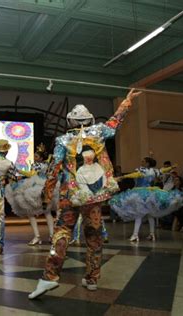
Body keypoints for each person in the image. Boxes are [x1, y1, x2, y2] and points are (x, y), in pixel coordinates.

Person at [28, 89, 142, 299]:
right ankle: (92, 279)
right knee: (94, 236)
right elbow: (115, 121)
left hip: (71, 195)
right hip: (94, 196)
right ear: (89, 119)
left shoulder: (62, 140)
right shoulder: (99, 132)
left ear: (70, 121)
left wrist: (46, 195)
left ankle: (49, 278)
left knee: (62, 233)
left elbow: (53, 169)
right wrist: (126, 102)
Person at [109, 157, 183, 242]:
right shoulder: (153, 171)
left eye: (143, 161)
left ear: (147, 163)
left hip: (139, 193)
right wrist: (171, 167)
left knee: (139, 214)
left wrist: (123, 177)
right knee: (149, 215)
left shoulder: (142, 170)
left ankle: (135, 235)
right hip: (149, 193)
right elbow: (163, 171)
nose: (141, 162)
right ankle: (152, 234)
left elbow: (136, 175)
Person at [5, 143, 57, 245]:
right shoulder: (48, 164)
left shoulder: (36, 165)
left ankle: (38, 236)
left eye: (36, 156)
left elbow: (31, 174)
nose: (34, 157)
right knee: (47, 212)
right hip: (46, 186)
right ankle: (51, 236)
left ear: (41, 158)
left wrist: (18, 170)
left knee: (31, 212)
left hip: (37, 187)